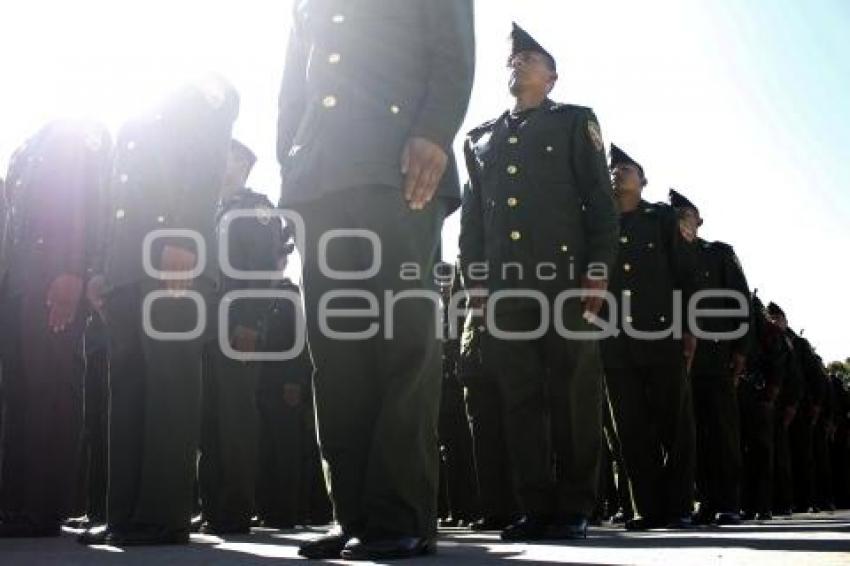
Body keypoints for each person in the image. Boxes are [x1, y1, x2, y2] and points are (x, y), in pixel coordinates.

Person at [276, 0, 475, 559]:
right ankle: (356, 513)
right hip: (320, 177)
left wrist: (434, 131)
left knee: (401, 340)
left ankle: (399, 513)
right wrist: (290, 162)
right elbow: (295, 85)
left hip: (400, 164)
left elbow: (453, 48)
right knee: (336, 350)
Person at [459, 22, 618, 541]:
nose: (518, 63)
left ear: (552, 77)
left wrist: (597, 270)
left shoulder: (574, 123)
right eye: (514, 59)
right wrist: (476, 281)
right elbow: (473, 222)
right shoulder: (481, 139)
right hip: (506, 289)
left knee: (573, 392)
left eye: (530, 58)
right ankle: (535, 506)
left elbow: (599, 201)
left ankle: (575, 505)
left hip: (565, 281)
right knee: (519, 397)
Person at [79, 76, 240, 546]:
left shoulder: (201, 89)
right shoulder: (134, 116)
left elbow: (207, 161)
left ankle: (163, 513)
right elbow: (118, 201)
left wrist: (183, 236)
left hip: (173, 257)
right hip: (128, 267)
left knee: (170, 385)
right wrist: (102, 267)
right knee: (127, 389)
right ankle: (125, 512)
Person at [0, 120, 111, 537]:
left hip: (51, 276)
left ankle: (43, 506)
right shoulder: (24, 148)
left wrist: (70, 269)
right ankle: (14, 502)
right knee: (19, 393)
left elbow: (78, 205)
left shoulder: (68, 135)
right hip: (19, 281)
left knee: (50, 389)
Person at [603, 144, 699, 530]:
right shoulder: (597, 221)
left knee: (674, 424)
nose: (618, 173)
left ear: (643, 181)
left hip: (661, 331)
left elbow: (686, 272)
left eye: (627, 169)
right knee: (629, 425)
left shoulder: (661, 217)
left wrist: (690, 326)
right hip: (613, 337)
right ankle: (645, 506)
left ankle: (678, 506)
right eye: (613, 169)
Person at [198, 139, 282, 534]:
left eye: (230, 157)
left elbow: (265, 269)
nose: (221, 163)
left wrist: (251, 321)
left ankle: (234, 507)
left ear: (245, 165)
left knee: (236, 418)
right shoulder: (205, 211)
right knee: (208, 419)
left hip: (238, 325)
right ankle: (211, 503)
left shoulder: (256, 207)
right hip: (204, 328)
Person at [672, 189, 750, 525]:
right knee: (694, 433)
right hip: (680, 358)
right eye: (678, 219)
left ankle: (729, 502)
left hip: (717, 353)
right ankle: (704, 500)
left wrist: (742, 350)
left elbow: (740, 300)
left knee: (722, 431)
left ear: (699, 221)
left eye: (689, 217)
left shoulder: (718, 254)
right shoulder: (669, 255)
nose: (684, 224)